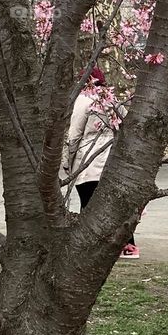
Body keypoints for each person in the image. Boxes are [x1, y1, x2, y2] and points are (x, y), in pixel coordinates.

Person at [61, 67, 139, 259]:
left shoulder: (83, 100)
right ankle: (128, 244)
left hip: (89, 158)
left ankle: (87, 245)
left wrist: (68, 162)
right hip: (111, 158)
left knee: (88, 204)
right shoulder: (113, 100)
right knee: (113, 204)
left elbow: (74, 135)